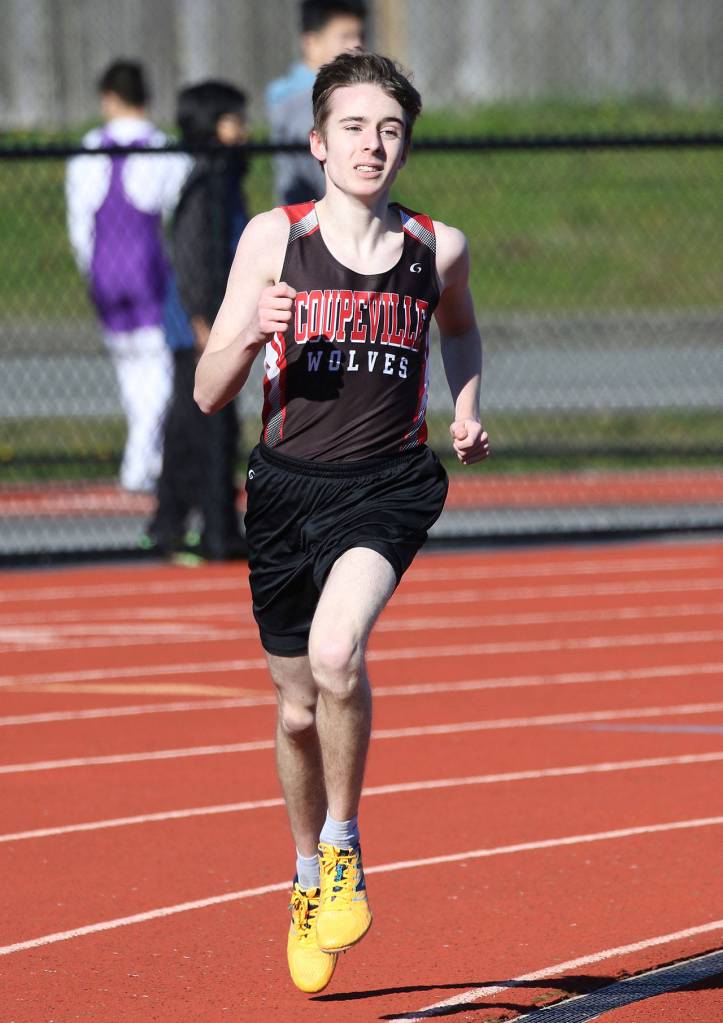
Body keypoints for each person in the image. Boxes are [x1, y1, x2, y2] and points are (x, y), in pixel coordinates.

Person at [195, 51, 489, 993]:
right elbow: (207, 393)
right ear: (318, 144)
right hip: (283, 492)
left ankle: (343, 840)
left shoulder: (434, 247)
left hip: (387, 486)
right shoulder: (270, 241)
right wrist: (250, 330)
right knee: (291, 710)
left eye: (391, 129)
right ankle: (303, 872)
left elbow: (459, 327)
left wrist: (467, 404)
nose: (373, 144)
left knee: (335, 657)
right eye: (355, 128)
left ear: (405, 148)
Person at [65, 60, 189, 493]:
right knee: (158, 370)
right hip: (148, 267)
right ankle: (140, 461)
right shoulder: (163, 147)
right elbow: (176, 217)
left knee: (129, 367)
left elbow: (80, 223)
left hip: (104, 269)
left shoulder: (88, 148)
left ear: (109, 99)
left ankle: (145, 457)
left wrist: (90, 271)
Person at [144, 80, 249, 561]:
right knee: (195, 425)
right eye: (234, 121)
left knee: (219, 427)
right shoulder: (203, 181)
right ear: (212, 127)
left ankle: (218, 526)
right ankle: (176, 526)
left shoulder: (227, 177)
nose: (244, 131)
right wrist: (203, 321)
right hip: (199, 326)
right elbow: (190, 256)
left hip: (218, 321)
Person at [266, 0, 366, 205]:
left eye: (359, 36)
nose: (357, 45)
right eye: (345, 37)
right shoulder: (301, 100)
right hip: (316, 220)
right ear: (311, 43)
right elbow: (320, 170)